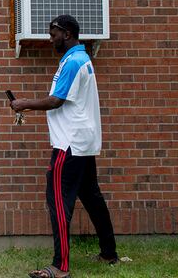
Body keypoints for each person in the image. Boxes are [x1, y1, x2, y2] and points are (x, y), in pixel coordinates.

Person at [10, 14, 118, 278]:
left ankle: (60, 267)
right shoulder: (82, 59)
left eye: (53, 34)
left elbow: (55, 101)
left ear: (67, 33)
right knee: (92, 198)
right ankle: (108, 253)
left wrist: (23, 103)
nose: (50, 39)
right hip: (83, 143)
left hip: (68, 145)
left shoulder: (73, 61)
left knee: (58, 202)